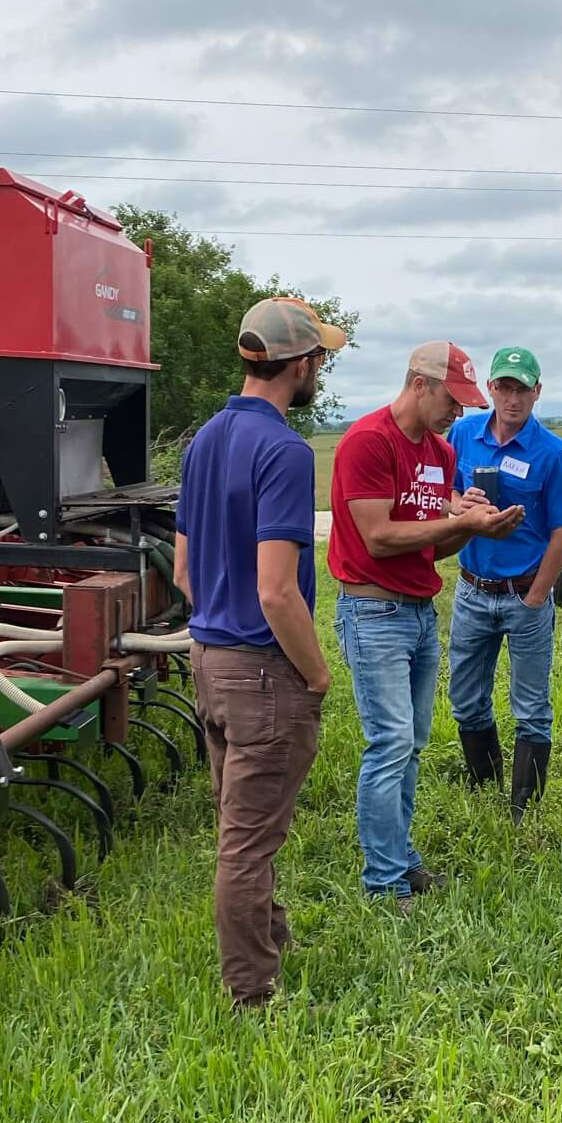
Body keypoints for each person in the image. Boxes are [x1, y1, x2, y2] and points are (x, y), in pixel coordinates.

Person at [174, 295, 349, 1010]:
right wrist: (314, 673)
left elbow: (184, 572)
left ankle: (269, 939)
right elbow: (277, 591)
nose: (321, 373)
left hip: (208, 660)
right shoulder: (282, 451)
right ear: (299, 365)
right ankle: (253, 993)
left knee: (240, 822)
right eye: (321, 361)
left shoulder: (204, 441)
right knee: (246, 844)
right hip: (262, 672)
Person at [328, 342, 524, 907]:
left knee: (410, 743)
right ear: (419, 384)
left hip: (417, 612)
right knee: (388, 742)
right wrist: (458, 523)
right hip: (373, 611)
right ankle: (383, 880)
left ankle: (400, 859)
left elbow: (433, 546)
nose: (458, 414)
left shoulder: (439, 451)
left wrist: (477, 526)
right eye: (452, 399)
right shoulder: (367, 441)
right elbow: (380, 537)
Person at [447, 346, 562, 819]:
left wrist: (537, 596)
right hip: (471, 589)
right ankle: (484, 785)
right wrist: (458, 505)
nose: (512, 398)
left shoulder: (551, 453)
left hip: (523, 594)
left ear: (537, 392)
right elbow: (444, 492)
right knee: (466, 699)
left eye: (521, 389)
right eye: (503, 387)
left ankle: (522, 808)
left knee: (530, 705)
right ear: (490, 389)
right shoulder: (464, 432)